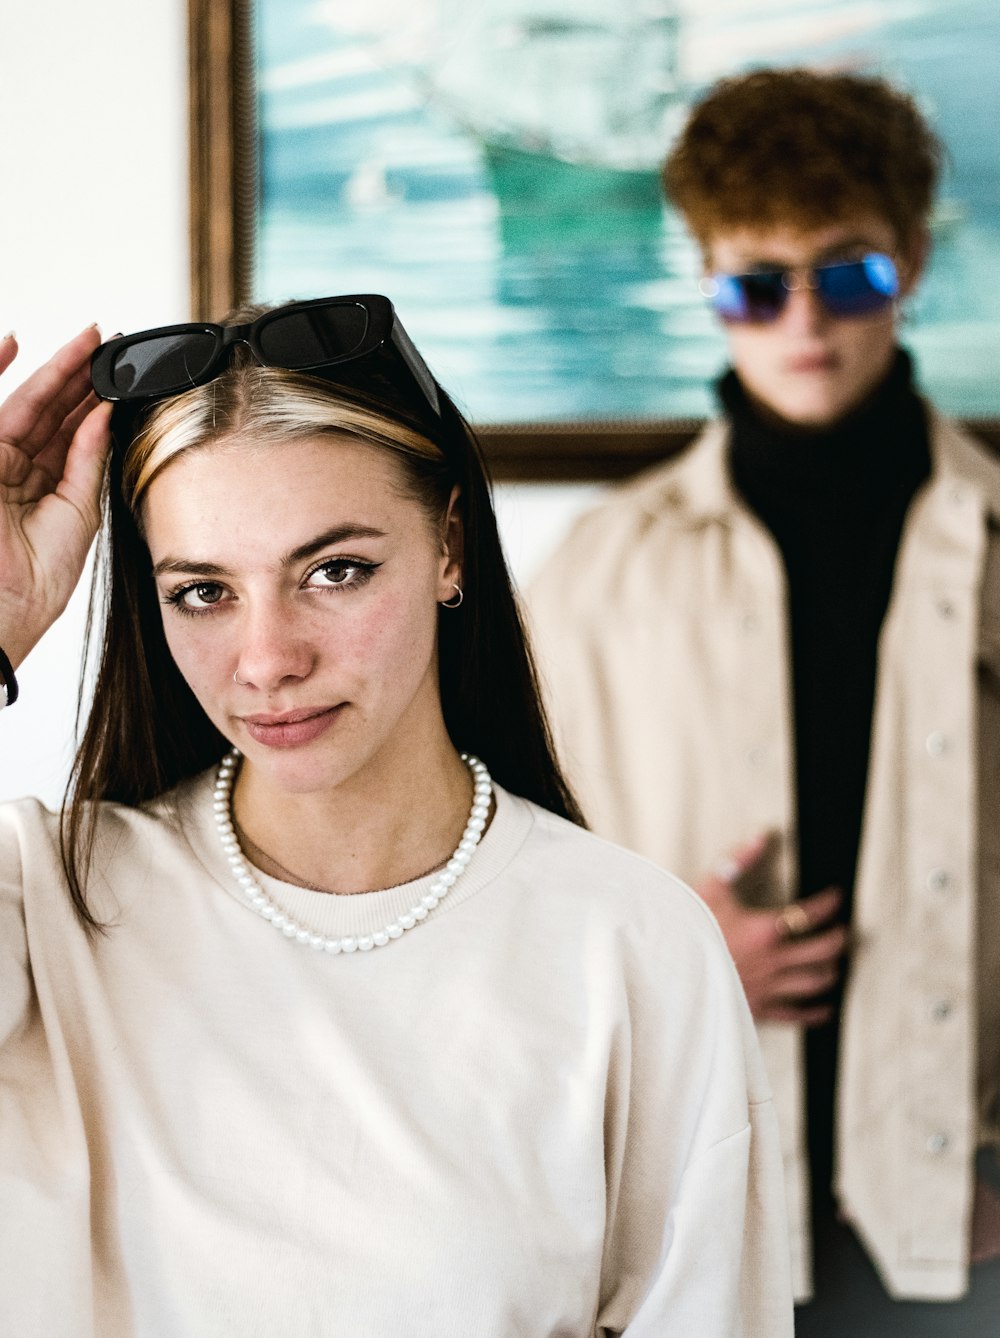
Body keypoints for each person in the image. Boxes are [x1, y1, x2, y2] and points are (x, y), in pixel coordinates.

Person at [0, 301, 791, 1335]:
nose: (269, 658)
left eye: (335, 571)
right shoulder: (46, 906)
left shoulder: (630, 943)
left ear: (448, 545)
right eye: (202, 592)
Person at [527, 68, 1000, 1332]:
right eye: (756, 281)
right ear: (704, 280)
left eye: (847, 275)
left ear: (907, 262)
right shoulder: (591, 575)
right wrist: (675, 959)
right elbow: (497, 891)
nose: (805, 322)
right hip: (691, 1195)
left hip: (969, 1209)